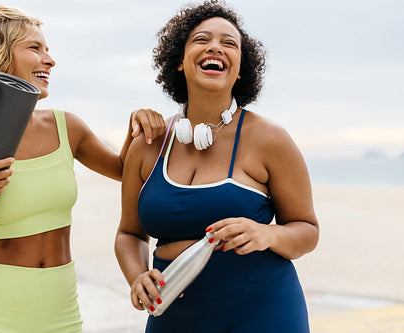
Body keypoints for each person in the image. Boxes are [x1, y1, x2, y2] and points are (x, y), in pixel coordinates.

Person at [0, 5, 165, 332]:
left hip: (61, 306)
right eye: (35, 48)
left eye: (47, 49)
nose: (50, 59)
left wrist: (138, 128)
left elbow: (125, 170)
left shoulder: (68, 127)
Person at [114, 1, 319, 332]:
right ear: (179, 62)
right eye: (201, 39)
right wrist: (137, 276)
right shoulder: (150, 143)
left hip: (263, 311)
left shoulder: (270, 139)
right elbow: (129, 233)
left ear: (240, 69)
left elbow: (307, 231)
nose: (215, 47)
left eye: (229, 43)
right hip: (174, 316)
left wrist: (266, 233)